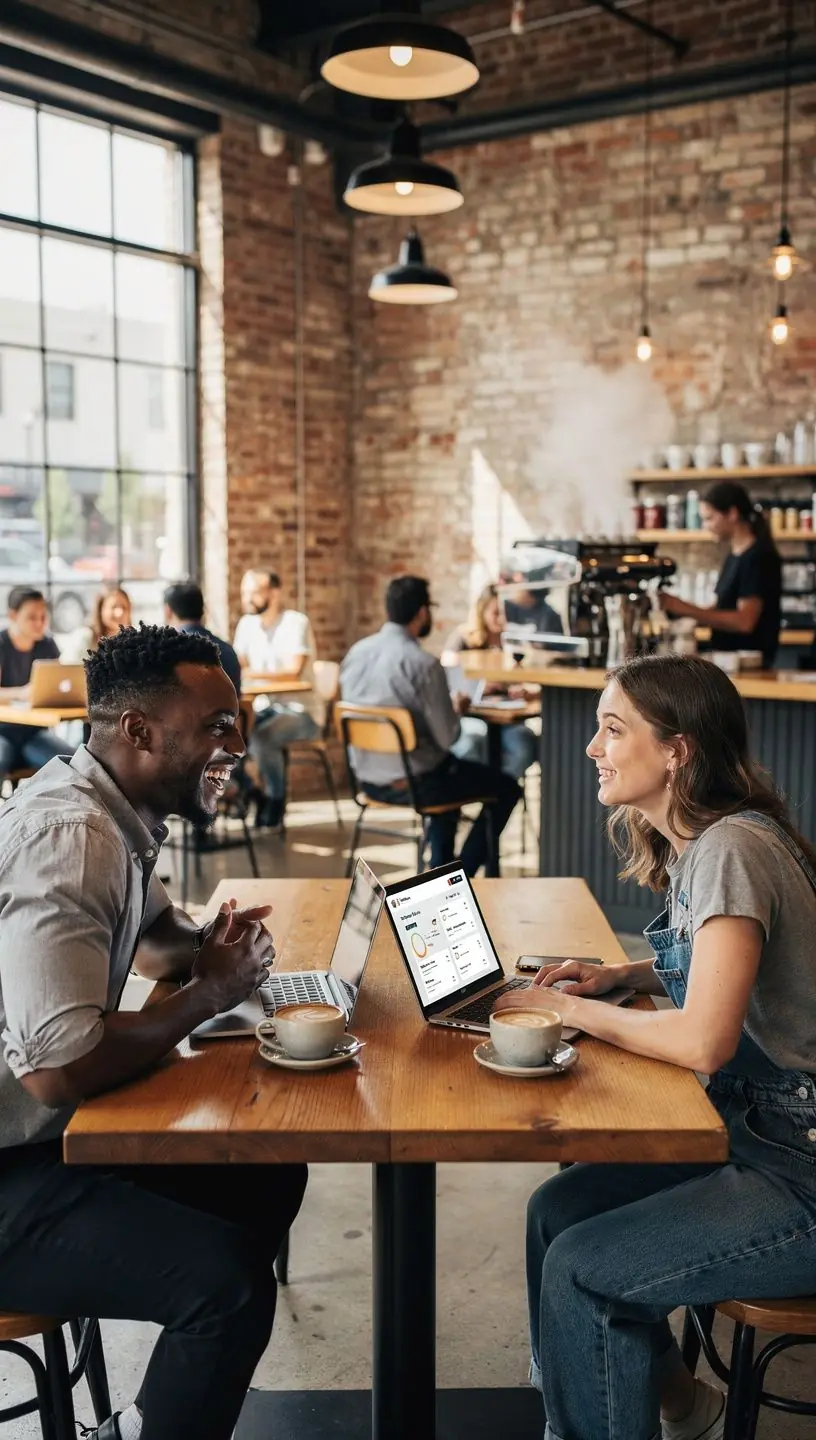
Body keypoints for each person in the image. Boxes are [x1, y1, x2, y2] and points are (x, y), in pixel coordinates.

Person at [494, 654, 816, 1440]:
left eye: (613, 729)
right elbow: (727, 968)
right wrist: (618, 976)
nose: (591, 748)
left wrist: (564, 1013)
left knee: (582, 1270)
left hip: (801, 1169)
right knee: (554, 1212)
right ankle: (679, 1404)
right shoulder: (709, 842)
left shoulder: (732, 851)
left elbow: (705, 1039)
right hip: (753, 1131)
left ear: (677, 750)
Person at [0, 625, 307, 1440]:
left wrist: (208, 949)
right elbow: (58, 1072)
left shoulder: (108, 810)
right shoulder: (72, 837)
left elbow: (155, 934)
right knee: (229, 1285)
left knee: (266, 1173)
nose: (238, 744)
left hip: (41, 1145)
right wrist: (208, 994)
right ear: (138, 732)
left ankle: (164, 1406)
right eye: (216, 726)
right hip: (11, 1169)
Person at [340, 575, 520, 876]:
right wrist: (456, 708)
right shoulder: (422, 664)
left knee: (445, 769)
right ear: (423, 613)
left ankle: (442, 869)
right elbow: (449, 736)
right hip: (417, 785)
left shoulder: (356, 653)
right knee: (505, 787)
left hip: (367, 780)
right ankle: (459, 873)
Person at [660, 481, 782, 666]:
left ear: (732, 514)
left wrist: (683, 608)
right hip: (727, 661)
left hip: (750, 665)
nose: (706, 526)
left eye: (709, 518)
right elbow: (720, 608)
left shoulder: (758, 557)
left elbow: (744, 621)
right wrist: (681, 614)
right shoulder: (734, 556)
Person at [233, 569, 319, 828]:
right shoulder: (246, 625)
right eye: (244, 592)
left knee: (261, 736)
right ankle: (247, 789)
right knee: (234, 730)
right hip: (264, 706)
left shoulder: (295, 622)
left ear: (274, 593)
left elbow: (294, 671)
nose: (248, 598)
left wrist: (254, 674)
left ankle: (275, 800)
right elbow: (240, 668)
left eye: (255, 592)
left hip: (301, 710)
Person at [442, 582, 537, 780]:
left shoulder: (515, 641)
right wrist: (480, 687)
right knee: (472, 744)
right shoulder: (463, 638)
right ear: (481, 611)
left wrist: (523, 689)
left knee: (524, 746)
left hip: (506, 718)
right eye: (496, 612)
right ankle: (481, 791)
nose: (502, 619)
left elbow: (528, 678)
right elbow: (446, 680)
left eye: (506, 613)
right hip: (471, 715)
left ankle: (496, 801)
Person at [0, 585, 72, 776]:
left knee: (71, 761)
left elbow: (58, 687)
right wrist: (23, 692)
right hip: (3, 732)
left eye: (43, 617)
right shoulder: (1, 644)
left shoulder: (47, 645)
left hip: (34, 733)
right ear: (13, 616)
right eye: (32, 617)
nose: (40, 623)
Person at [163, 580, 241, 697]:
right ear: (202, 609)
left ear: (168, 611)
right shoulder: (226, 649)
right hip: (231, 714)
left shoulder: (168, 652)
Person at [60, 584, 133, 662]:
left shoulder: (132, 642)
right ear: (101, 609)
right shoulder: (85, 636)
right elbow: (65, 667)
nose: (119, 613)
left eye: (124, 607)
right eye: (113, 607)